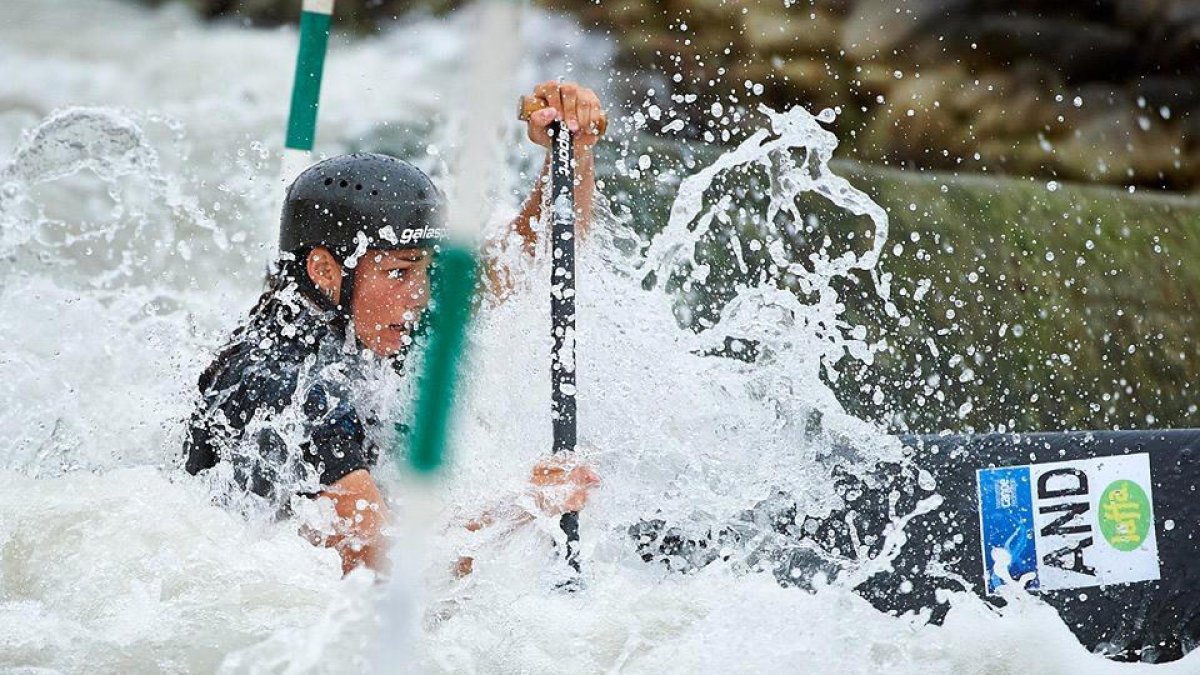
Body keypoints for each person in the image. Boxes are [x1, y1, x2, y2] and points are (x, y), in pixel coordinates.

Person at [184, 81, 603, 575]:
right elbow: (388, 568)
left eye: (427, 269)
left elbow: (533, 255)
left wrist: (570, 153)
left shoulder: (371, 306)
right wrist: (528, 504)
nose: (422, 295)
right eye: (401, 271)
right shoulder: (291, 385)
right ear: (324, 270)